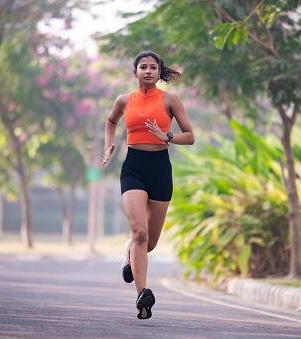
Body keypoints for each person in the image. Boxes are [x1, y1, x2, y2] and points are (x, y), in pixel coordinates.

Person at [102, 51, 195, 320]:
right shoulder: (123, 100)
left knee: (149, 242)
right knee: (140, 232)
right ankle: (142, 294)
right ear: (135, 72)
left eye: (153, 67)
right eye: (143, 67)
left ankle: (130, 252)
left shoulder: (170, 100)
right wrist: (109, 143)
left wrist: (167, 136)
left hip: (160, 169)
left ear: (158, 72)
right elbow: (111, 121)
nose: (148, 71)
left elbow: (190, 136)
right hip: (133, 167)